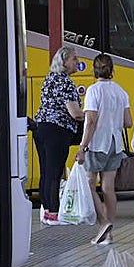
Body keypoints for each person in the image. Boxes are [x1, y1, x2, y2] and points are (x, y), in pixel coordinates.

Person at [77, 53, 132, 245]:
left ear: (95, 70)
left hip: (97, 144)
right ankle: (109, 235)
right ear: (112, 70)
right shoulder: (120, 91)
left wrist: (82, 147)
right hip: (115, 144)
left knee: (89, 183)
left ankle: (103, 223)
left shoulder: (93, 91)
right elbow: (128, 122)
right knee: (108, 187)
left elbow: (90, 120)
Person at [33, 46, 83, 225]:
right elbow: (75, 113)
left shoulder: (50, 78)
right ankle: (54, 212)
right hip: (57, 130)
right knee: (55, 171)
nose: (77, 62)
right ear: (64, 62)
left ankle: (47, 211)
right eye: (74, 59)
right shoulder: (65, 82)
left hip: (41, 127)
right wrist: (92, 116)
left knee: (45, 171)